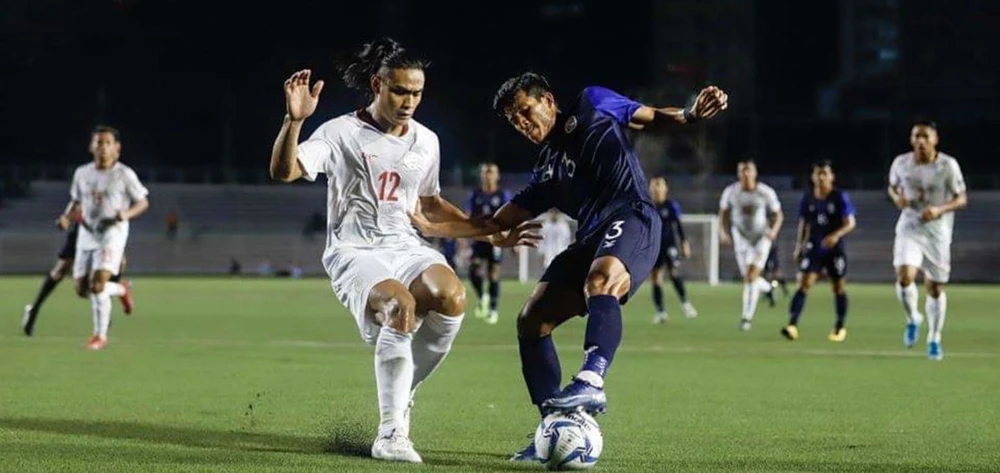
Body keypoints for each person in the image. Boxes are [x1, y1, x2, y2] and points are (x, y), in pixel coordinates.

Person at [409, 72, 728, 461]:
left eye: (525, 111)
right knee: (531, 320)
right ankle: (552, 428)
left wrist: (690, 115)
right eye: (514, 120)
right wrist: (434, 227)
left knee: (601, 280)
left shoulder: (592, 103)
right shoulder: (547, 170)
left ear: (548, 100)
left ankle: (592, 379)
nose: (522, 123)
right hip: (590, 238)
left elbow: (651, 118)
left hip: (633, 216)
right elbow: (494, 222)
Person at [267, 38, 534, 463]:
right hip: (355, 251)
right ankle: (391, 433)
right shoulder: (339, 132)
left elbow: (429, 204)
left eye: (417, 93)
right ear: (378, 85)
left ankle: (401, 388)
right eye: (400, 91)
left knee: (452, 297)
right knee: (401, 306)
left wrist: (487, 232)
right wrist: (293, 121)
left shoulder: (426, 140)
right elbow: (284, 171)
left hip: (407, 245)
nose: (409, 101)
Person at [63, 125, 148, 350]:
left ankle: (99, 336)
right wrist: (66, 217)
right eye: (98, 142)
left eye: (107, 143)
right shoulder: (82, 173)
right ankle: (122, 289)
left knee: (97, 283)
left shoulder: (124, 174)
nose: (102, 147)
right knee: (82, 289)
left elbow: (143, 202)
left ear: (117, 148)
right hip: (87, 232)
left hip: (113, 232)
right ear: (91, 147)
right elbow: (76, 201)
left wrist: (126, 214)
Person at [888, 119, 967, 360]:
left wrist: (939, 209)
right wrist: (897, 198)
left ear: (935, 139)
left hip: (937, 232)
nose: (920, 141)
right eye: (916, 136)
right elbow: (893, 187)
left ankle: (934, 337)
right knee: (904, 276)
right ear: (911, 140)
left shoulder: (948, 166)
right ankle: (913, 318)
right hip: (910, 226)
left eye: (925, 136)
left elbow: (961, 198)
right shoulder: (901, 163)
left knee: (935, 288)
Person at [21, 208, 133, 337]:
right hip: (85, 229)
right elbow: (79, 201)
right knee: (63, 273)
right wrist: (67, 218)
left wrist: (125, 215)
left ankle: (106, 307)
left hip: (109, 229)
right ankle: (34, 310)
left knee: (115, 266)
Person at [781, 160, 856, 342]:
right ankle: (792, 325)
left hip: (834, 249)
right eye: (818, 174)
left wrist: (835, 236)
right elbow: (804, 223)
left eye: (824, 173)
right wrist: (799, 246)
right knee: (803, 283)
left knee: (838, 287)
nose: (821, 177)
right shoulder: (808, 198)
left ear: (832, 177)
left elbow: (850, 223)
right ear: (813, 177)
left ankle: (839, 327)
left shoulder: (839, 197)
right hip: (814, 247)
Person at [718, 159, 783, 332]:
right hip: (741, 237)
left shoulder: (765, 191)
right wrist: (723, 232)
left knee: (751, 276)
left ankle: (746, 318)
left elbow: (778, 214)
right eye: (742, 171)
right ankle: (768, 289)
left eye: (749, 170)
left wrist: (773, 231)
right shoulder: (731, 192)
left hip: (761, 237)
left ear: (755, 173)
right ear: (738, 173)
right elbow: (723, 212)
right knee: (748, 277)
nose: (746, 174)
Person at [465, 162, 511, 324]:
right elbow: (468, 217)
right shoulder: (474, 194)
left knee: (493, 273)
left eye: (491, 172)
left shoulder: (503, 195)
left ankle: (493, 308)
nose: (488, 175)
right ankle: (482, 296)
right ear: (481, 175)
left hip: (495, 240)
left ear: (497, 176)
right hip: (479, 238)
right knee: (473, 269)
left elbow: (510, 217)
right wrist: (464, 240)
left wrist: (512, 240)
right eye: (485, 172)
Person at [647, 176, 697, 323]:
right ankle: (661, 312)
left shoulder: (671, 205)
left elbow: (678, 225)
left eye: (659, 185)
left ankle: (685, 303)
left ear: (665, 188)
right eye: (654, 186)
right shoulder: (648, 206)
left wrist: (684, 242)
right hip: (654, 247)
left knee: (673, 272)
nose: (656, 189)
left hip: (669, 245)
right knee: (656, 278)